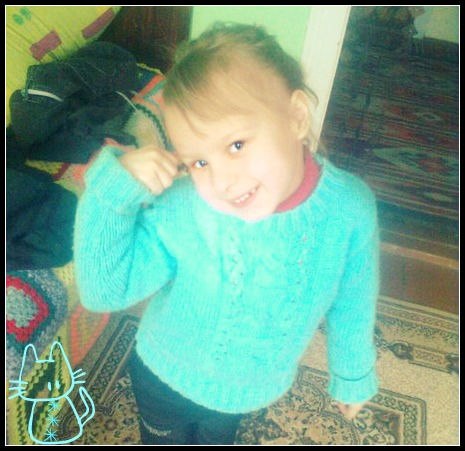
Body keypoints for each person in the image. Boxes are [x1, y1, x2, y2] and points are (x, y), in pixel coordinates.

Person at [74, 22, 380, 445]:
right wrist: (111, 193)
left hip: (247, 394)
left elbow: (354, 298)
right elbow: (103, 292)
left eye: (236, 145)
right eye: (199, 162)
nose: (222, 181)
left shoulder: (350, 209)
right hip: (163, 378)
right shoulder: (182, 206)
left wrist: (353, 373)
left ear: (295, 117)